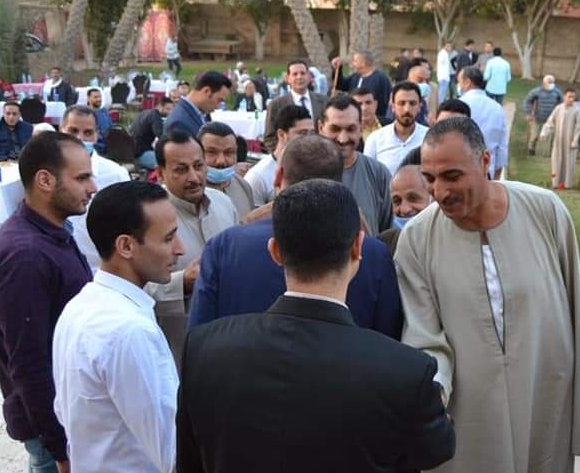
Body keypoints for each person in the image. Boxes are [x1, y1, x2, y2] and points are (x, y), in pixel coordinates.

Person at [177, 178, 455, 473]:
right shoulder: (403, 370)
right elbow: (434, 450)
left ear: (276, 251)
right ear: (358, 247)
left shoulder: (205, 349)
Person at [396, 116, 580, 473]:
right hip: (465, 412)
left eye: (452, 176)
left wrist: (579, 409)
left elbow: (573, 309)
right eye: (430, 179)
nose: (440, 192)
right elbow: (424, 334)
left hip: (543, 397)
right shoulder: (417, 239)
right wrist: (433, 396)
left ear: (485, 161)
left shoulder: (545, 211)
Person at [52, 181, 188, 473]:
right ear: (126, 246)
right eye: (168, 238)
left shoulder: (80, 307)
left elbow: (65, 411)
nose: (180, 249)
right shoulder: (130, 331)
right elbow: (174, 454)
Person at [0, 132, 96, 473]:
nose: (92, 187)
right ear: (45, 180)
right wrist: (58, 442)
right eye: (81, 178)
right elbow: (29, 363)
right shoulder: (25, 256)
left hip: (57, 416)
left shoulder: (51, 233)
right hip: (51, 419)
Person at [189, 134, 403, 339]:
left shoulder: (226, 247)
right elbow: (388, 338)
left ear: (278, 176)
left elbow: (199, 336)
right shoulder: (373, 254)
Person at [148, 130, 238, 360]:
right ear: (160, 173)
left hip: (228, 342)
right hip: (177, 349)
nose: (194, 177)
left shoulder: (224, 203)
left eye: (198, 166)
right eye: (181, 170)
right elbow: (135, 289)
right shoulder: (148, 216)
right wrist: (182, 283)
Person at [60, 105, 131, 269]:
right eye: (73, 131)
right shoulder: (46, 173)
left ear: (96, 135)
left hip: (99, 268)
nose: (79, 138)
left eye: (88, 133)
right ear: (61, 131)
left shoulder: (116, 174)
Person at [318, 94, 393, 235]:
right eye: (335, 129)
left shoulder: (379, 174)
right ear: (321, 128)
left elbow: (388, 235)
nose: (343, 139)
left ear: (361, 128)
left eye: (351, 129)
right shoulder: (306, 172)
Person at [245, 104, 314, 207]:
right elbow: (251, 216)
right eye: (302, 133)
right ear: (281, 134)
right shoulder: (258, 177)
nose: (310, 138)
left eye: (312, 133)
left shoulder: (314, 166)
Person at [364, 81, 429, 174]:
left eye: (412, 103)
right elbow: (368, 176)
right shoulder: (375, 139)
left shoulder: (430, 138)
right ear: (393, 107)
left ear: (419, 107)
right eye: (401, 103)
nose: (407, 109)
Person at [457, 67, 508, 179]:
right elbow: (502, 146)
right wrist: (497, 175)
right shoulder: (497, 108)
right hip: (488, 172)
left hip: (460, 172)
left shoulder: (458, 105)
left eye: (459, 81)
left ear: (467, 82)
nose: (458, 85)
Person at [198, 121, 255, 220]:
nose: (221, 161)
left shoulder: (243, 186)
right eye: (212, 152)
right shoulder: (191, 192)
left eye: (229, 152)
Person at [377, 164, 432, 255]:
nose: (404, 209)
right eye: (397, 201)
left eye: (413, 198)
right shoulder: (385, 243)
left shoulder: (448, 238)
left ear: (433, 198)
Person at [164, 71, 231, 138]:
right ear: (206, 91)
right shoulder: (179, 123)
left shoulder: (202, 113)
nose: (218, 107)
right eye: (219, 100)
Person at [332, 50, 393, 124]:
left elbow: (385, 101)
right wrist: (338, 68)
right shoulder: (355, 76)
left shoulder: (381, 79)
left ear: (363, 63)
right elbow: (340, 85)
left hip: (373, 121)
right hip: (353, 119)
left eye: (355, 61)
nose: (353, 64)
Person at [543, 88, 580, 189]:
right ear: (564, 96)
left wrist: (575, 141)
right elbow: (550, 121)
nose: (571, 99)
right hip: (558, 141)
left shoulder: (576, 110)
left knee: (568, 162)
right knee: (556, 161)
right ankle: (555, 182)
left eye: (573, 97)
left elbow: (579, 127)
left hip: (569, 141)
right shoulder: (558, 108)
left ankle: (567, 184)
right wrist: (544, 133)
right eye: (569, 97)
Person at [267, 60, 327, 126]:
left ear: (309, 77)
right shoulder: (276, 105)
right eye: (295, 74)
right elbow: (270, 132)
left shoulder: (324, 101)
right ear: (288, 78)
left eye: (303, 73)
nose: (299, 77)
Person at [522, 74, 563, 155]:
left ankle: (548, 153)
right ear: (544, 83)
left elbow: (562, 103)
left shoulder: (557, 92)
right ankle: (531, 149)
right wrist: (528, 113)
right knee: (535, 135)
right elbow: (527, 101)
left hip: (550, 119)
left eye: (552, 82)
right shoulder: (536, 91)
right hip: (537, 117)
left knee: (549, 136)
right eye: (549, 82)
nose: (551, 84)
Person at [132, 97, 175, 170]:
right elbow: (161, 136)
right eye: (168, 109)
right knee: (168, 163)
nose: (170, 112)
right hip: (141, 153)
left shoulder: (144, 112)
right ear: (160, 106)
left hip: (133, 151)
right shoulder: (155, 115)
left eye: (171, 110)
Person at [85, 87, 113, 153]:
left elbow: (111, 128)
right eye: (95, 97)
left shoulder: (104, 112)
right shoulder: (85, 113)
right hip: (97, 147)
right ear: (88, 98)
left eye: (100, 97)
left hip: (110, 145)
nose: (99, 99)